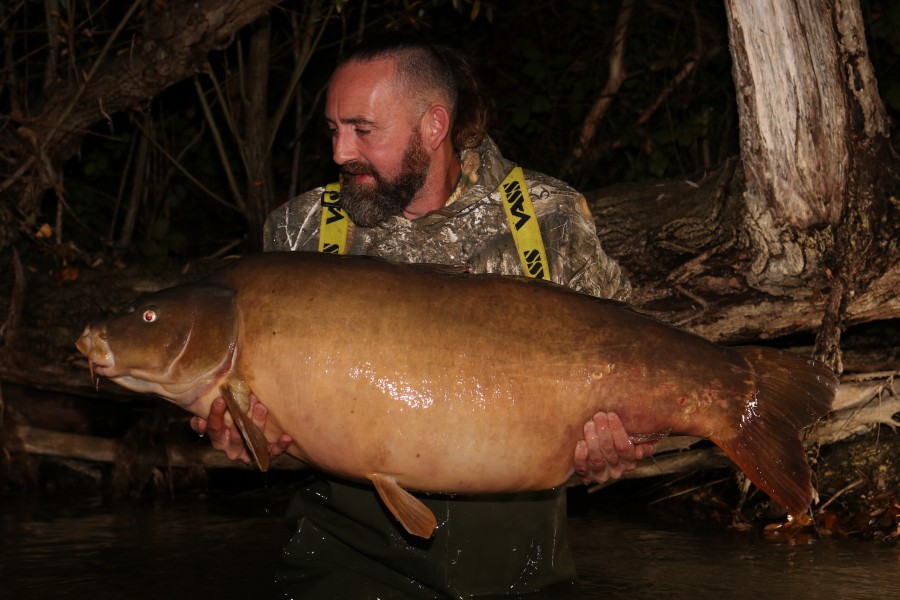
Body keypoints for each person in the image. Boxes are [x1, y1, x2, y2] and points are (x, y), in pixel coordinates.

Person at [192, 37, 653, 598]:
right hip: (346, 564)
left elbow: (629, 372)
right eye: (334, 130)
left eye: (363, 130)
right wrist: (253, 439)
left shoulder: (546, 217)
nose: (340, 152)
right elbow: (297, 436)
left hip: (519, 563)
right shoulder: (303, 231)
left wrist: (606, 457)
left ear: (433, 126)